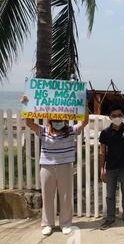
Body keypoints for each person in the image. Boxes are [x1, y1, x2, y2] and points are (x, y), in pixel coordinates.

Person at [20, 95, 89, 236]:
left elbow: (85, 121)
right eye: (55, 119)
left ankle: (66, 223)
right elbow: (28, 122)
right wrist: (26, 105)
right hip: (47, 167)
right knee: (47, 195)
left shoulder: (71, 130)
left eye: (60, 119)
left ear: (64, 119)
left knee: (65, 196)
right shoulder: (43, 130)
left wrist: (85, 105)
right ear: (50, 120)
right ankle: (47, 224)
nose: (58, 122)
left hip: (65, 166)